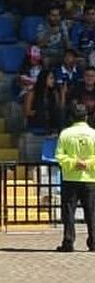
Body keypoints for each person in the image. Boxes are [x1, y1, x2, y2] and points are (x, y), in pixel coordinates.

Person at [55, 104, 95, 252]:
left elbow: (59, 156)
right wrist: (87, 163)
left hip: (70, 178)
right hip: (90, 178)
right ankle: (93, 242)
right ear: (86, 117)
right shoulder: (93, 134)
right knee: (91, 213)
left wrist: (73, 163)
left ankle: (68, 242)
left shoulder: (65, 134)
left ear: (71, 118)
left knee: (69, 212)